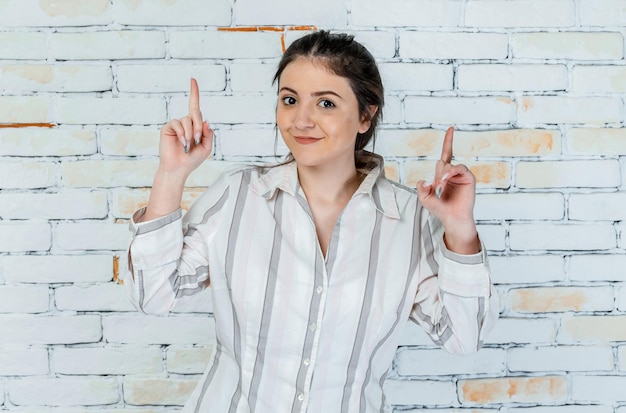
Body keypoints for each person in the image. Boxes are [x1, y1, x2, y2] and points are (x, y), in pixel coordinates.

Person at [125, 30, 498, 413]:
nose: (301, 120)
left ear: (365, 116)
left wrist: (460, 229)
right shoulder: (238, 195)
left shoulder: (411, 220)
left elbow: (463, 338)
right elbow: (153, 295)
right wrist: (171, 175)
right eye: (290, 100)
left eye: (326, 103)